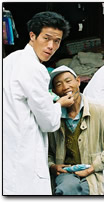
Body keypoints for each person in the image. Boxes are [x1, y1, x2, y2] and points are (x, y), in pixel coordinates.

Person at [3, 11, 73, 195]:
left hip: (9, 147)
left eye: (56, 41)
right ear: (32, 36)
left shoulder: (10, 60)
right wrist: (59, 105)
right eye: (46, 38)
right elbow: (49, 122)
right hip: (24, 152)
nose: (51, 46)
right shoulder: (35, 68)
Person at [48, 66, 104, 195]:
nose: (65, 86)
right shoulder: (53, 118)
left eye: (68, 81)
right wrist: (52, 166)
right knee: (66, 189)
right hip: (67, 174)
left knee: (89, 189)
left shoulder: (102, 112)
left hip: (98, 171)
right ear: (55, 92)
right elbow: (45, 151)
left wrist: (93, 167)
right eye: (59, 84)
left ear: (78, 81)